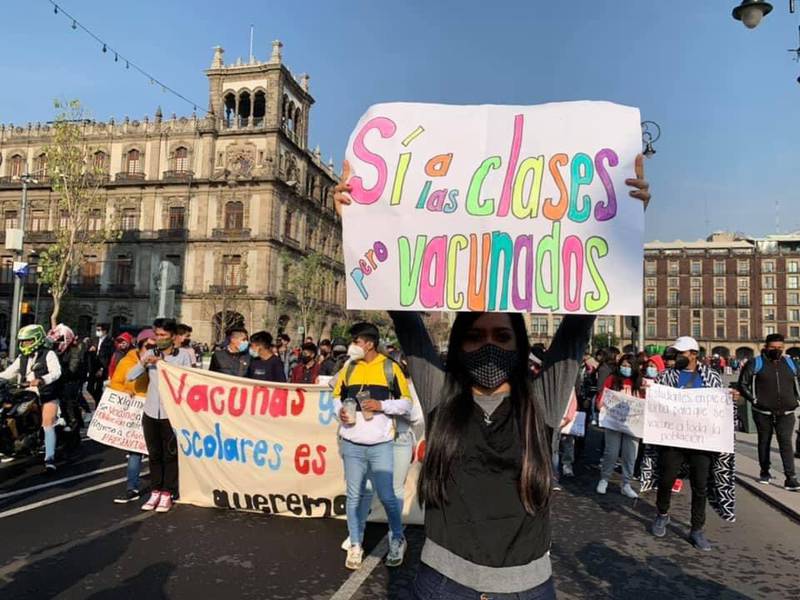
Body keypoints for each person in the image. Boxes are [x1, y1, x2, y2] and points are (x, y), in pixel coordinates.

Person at [334, 155, 652, 597]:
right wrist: (359, 224)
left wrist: (623, 219)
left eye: (502, 336)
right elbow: (405, 319)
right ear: (458, 345)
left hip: (527, 588)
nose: (489, 345)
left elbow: (580, 318)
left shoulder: (542, 401)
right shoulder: (442, 396)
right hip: (442, 584)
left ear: (519, 345)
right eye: (476, 336)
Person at [333, 322, 412, 570]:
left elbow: (406, 403)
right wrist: (339, 412)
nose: (352, 346)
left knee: (387, 496)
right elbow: (335, 397)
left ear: (369, 344)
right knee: (354, 497)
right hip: (351, 444)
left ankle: (397, 538)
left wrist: (382, 406)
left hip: (381, 445)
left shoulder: (390, 367)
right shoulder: (349, 367)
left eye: (355, 341)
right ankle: (356, 544)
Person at [650, 336, 726, 551]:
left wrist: (731, 398)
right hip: (672, 437)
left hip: (701, 439)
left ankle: (697, 529)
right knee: (666, 479)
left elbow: (720, 405)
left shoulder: (711, 376)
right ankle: (662, 514)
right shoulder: (666, 376)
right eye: (675, 353)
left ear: (694, 354)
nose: (677, 357)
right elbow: (656, 404)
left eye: (681, 353)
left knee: (700, 485)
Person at [127, 318, 192, 512]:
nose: (159, 338)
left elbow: (187, 380)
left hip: (171, 413)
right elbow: (130, 375)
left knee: (169, 454)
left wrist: (163, 364)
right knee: (154, 454)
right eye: (157, 334)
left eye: (163, 335)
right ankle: (155, 490)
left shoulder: (183, 356)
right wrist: (144, 362)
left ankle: (167, 491)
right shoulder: (150, 353)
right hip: (150, 411)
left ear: (173, 336)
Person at [738, 333, 800, 491]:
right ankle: (765, 472)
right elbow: (742, 383)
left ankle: (790, 478)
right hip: (762, 411)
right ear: (766, 347)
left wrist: (797, 400)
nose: (777, 350)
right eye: (773, 347)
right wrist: (754, 400)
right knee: (764, 441)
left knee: (785, 443)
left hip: (787, 411)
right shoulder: (756, 363)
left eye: (780, 347)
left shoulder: (790, 363)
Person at [0, 325, 62, 472]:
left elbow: (56, 372)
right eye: (22, 341)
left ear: (37, 339)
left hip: (46, 394)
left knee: (47, 423)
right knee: (9, 412)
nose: (24, 344)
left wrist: (42, 380)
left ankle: (49, 460)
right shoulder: (22, 357)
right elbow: (8, 373)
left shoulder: (48, 354)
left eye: (28, 341)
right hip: (27, 392)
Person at [110, 328, 154, 503]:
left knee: (159, 450)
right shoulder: (127, 361)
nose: (151, 350)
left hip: (157, 410)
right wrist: (125, 391)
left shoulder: (160, 361)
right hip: (135, 411)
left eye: (155, 346)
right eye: (148, 346)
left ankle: (164, 488)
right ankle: (132, 487)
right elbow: (116, 382)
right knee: (135, 451)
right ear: (140, 345)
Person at [596, 353, 644, 499]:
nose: (626, 368)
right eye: (623, 365)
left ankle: (626, 484)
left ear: (634, 367)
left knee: (630, 454)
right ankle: (604, 479)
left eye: (629, 366)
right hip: (613, 422)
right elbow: (603, 396)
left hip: (633, 425)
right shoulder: (612, 379)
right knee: (611, 452)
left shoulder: (640, 383)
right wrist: (600, 405)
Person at [47, 324, 88, 450]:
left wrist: (58, 371)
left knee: (68, 407)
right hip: (54, 384)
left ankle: (72, 433)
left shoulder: (75, 351)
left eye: (60, 340)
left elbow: (72, 369)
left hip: (69, 384)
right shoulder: (52, 351)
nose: (57, 343)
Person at [88, 322, 113, 405]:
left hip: (102, 367)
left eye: (99, 330)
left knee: (99, 388)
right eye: (97, 330)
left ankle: (99, 404)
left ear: (104, 331)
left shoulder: (110, 341)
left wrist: (102, 369)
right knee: (89, 388)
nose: (97, 332)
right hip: (93, 366)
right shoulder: (94, 339)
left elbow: (109, 357)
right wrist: (90, 349)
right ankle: (99, 401)